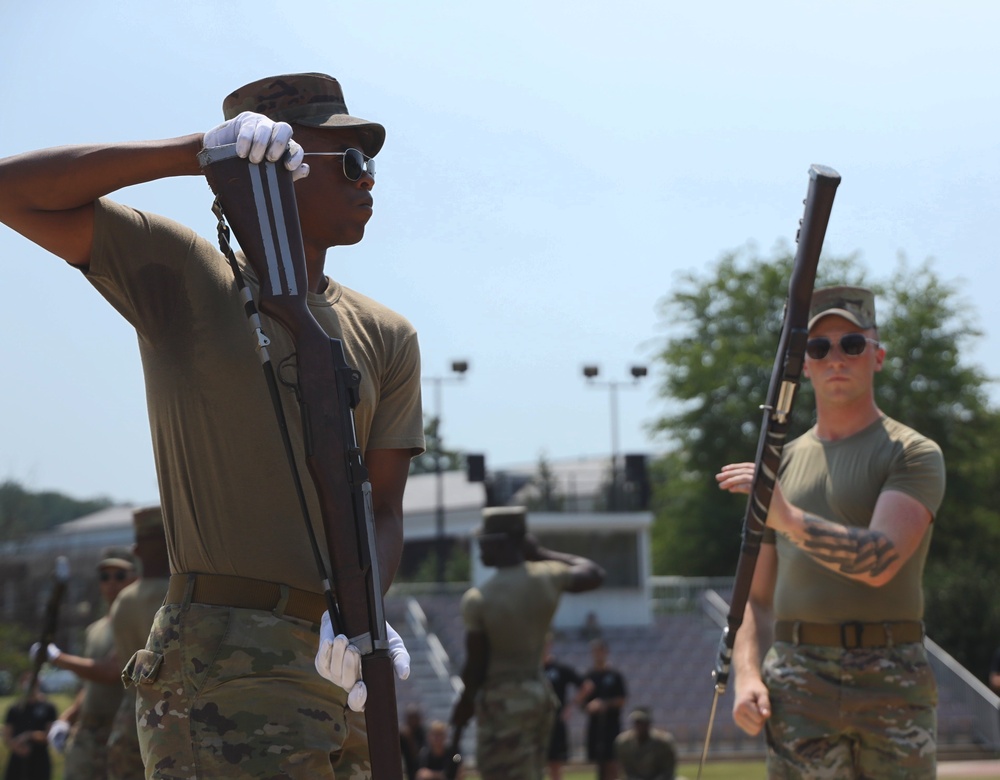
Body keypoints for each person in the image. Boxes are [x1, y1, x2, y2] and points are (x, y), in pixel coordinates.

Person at [0, 71, 424, 780]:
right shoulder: (187, 273)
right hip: (225, 655)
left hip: (338, 659)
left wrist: (362, 618)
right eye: (347, 161)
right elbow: (13, 190)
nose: (366, 180)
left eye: (369, 163)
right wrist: (195, 151)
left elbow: (382, 506)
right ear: (276, 165)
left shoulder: (387, 333)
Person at [717, 285, 946, 779]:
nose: (835, 357)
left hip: (892, 676)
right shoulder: (779, 463)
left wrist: (789, 519)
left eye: (852, 344)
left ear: (877, 355)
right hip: (798, 678)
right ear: (802, 365)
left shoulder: (913, 453)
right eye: (818, 348)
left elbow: (881, 560)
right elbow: (756, 600)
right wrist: (748, 674)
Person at [450, 506, 605, 780]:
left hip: (502, 701)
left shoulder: (478, 599)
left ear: (502, 542)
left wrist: (465, 703)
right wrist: (539, 553)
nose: (480, 549)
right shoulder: (548, 576)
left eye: (485, 542)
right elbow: (593, 573)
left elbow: (476, 665)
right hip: (538, 694)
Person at [33, 553, 136, 780]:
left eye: (119, 576)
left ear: (134, 580)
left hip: (119, 731)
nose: (111, 582)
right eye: (104, 577)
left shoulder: (134, 624)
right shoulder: (95, 629)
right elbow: (90, 684)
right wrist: (66, 719)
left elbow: (111, 672)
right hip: (88, 730)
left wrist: (57, 658)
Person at [106, 506, 171, 780]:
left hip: (131, 716)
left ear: (138, 549)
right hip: (173, 717)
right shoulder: (179, 594)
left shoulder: (124, 599)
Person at [578, 638, 627, 780]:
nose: (597, 654)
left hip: (611, 724)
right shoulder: (589, 676)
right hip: (595, 726)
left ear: (606, 652)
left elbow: (622, 699)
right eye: (595, 652)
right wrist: (588, 706)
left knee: (613, 762)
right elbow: (581, 702)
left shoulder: (615, 675)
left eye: (600, 651)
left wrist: (604, 704)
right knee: (599, 763)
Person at [543, 634, 584, 780]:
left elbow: (586, 685)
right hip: (535, 722)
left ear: (550, 645)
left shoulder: (560, 669)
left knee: (555, 765)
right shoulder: (531, 670)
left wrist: (570, 707)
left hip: (555, 722)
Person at [3, 672, 57, 780]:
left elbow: (50, 735)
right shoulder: (14, 709)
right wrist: (17, 748)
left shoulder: (48, 708)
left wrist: (29, 736)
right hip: (17, 760)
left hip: (39, 760)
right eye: (25, 680)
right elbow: (7, 735)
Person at [613, 707, 678, 780]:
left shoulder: (664, 742)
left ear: (648, 724)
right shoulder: (624, 743)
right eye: (637, 722)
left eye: (642, 722)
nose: (639, 726)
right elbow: (625, 771)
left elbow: (668, 770)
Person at [399, 703, 428, 780]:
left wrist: (410, 738)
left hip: (422, 769)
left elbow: (419, 756)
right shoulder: (402, 734)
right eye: (410, 718)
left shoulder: (423, 733)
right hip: (408, 769)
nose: (412, 721)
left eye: (414, 718)